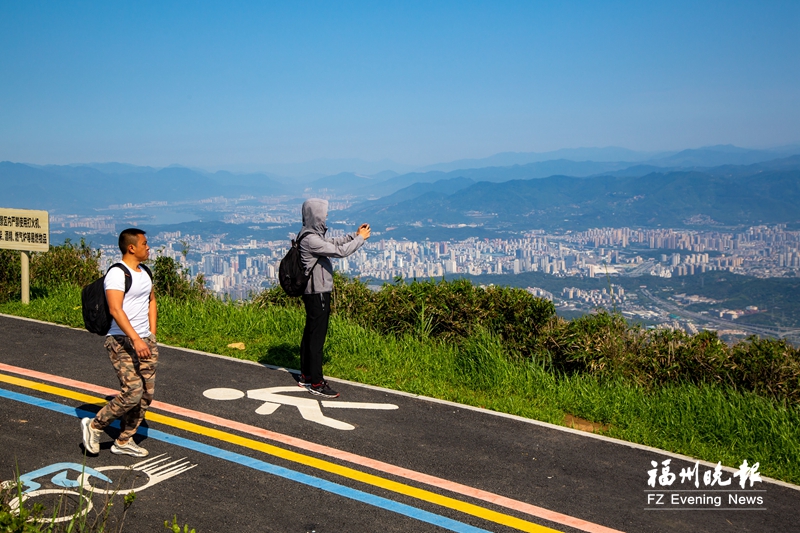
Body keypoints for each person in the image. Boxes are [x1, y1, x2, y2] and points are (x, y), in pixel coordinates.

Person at [81, 228, 157, 457]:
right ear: (131, 247)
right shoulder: (117, 274)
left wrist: (151, 335)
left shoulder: (145, 272)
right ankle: (95, 425)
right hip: (121, 340)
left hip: (145, 340)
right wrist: (136, 338)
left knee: (146, 395)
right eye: (144, 243)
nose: (148, 247)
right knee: (133, 391)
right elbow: (115, 309)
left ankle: (124, 440)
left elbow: (151, 301)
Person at [297, 198, 370, 397]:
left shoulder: (308, 235)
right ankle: (317, 383)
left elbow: (334, 243)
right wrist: (360, 239)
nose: (326, 216)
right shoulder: (311, 240)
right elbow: (339, 251)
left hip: (313, 292)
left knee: (310, 333)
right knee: (317, 338)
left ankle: (306, 376)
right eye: (324, 213)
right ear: (316, 215)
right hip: (318, 293)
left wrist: (354, 235)